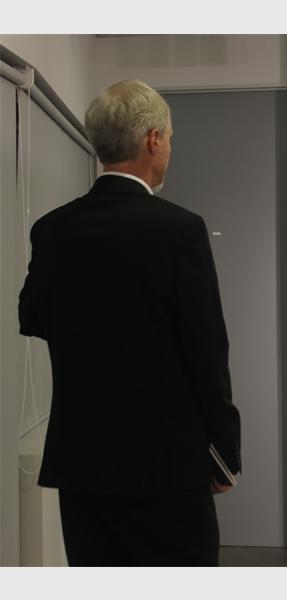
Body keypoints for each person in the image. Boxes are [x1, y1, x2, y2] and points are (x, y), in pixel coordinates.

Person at [18, 80, 241, 566]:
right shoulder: (180, 229)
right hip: (166, 467)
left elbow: (31, 315)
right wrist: (225, 452)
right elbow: (207, 351)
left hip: (81, 462)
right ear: (153, 140)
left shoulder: (51, 230)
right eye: (171, 138)